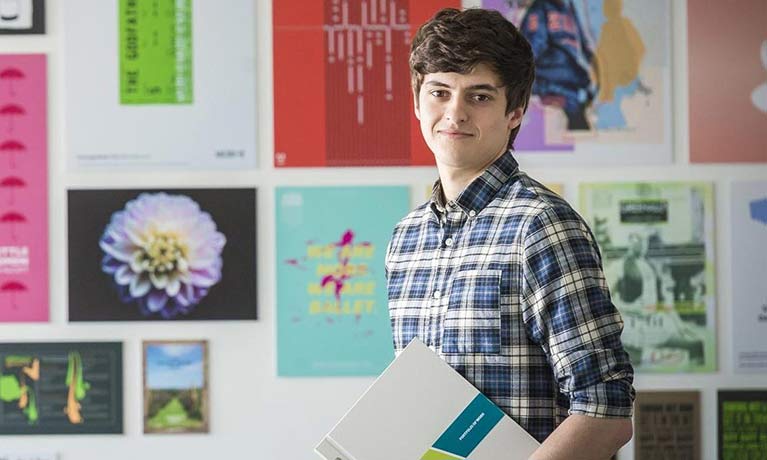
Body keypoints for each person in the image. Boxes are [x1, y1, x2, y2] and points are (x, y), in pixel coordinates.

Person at [385, 8, 634, 459]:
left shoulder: (541, 226)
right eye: (439, 92)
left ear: (514, 112)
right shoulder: (406, 240)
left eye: (479, 96)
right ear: (417, 102)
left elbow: (606, 410)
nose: (454, 113)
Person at [519, 0, 596, 130]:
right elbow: (530, 53)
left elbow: (584, 46)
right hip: (553, 85)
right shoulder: (540, 9)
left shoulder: (570, 8)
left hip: (574, 85)